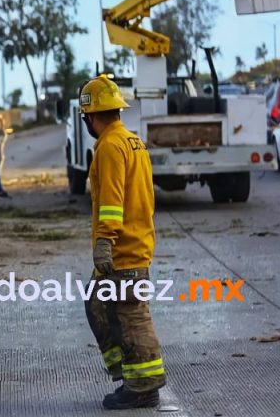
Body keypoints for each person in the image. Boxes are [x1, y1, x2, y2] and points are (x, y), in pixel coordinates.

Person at [79, 75, 165, 410]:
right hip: (133, 241)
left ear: (90, 116)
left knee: (130, 314)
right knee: (98, 304)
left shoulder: (112, 147)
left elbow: (112, 201)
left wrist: (104, 242)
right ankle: (129, 375)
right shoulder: (132, 142)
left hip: (122, 248)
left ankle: (144, 386)